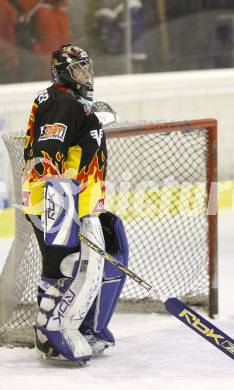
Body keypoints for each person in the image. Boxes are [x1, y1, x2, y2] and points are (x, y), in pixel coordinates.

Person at [22, 44, 129, 363]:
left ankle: (75, 326)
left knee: (75, 267)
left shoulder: (67, 102)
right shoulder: (63, 103)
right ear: (63, 72)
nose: (87, 74)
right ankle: (48, 333)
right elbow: (50, 154)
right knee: (63, 268)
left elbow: (75, 143)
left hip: (70, 200)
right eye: (79, 69)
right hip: (57, 201)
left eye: (87, 67)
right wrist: (62, 202)